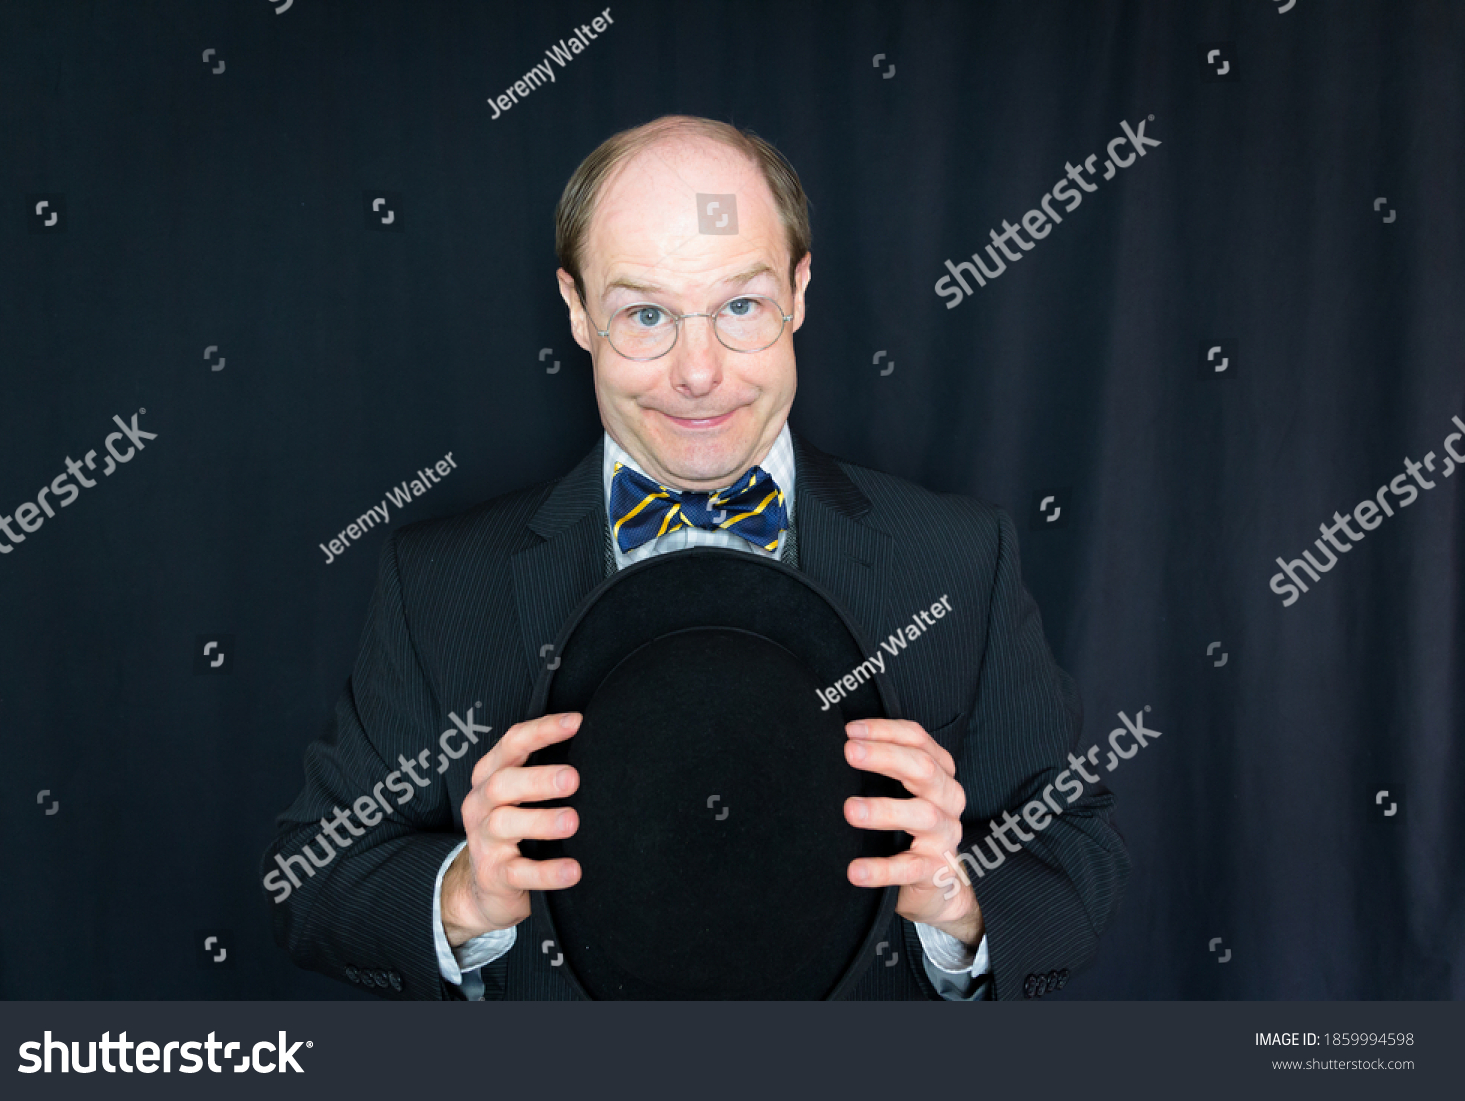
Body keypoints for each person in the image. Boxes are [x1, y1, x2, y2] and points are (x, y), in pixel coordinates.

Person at [264, 115, 1129, 1001]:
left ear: (798, 290)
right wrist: (461, 894)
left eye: (741, 307)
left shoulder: (957, 558)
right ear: (576, 310)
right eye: (646, 314)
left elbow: (1076, 855)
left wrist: (960, 903)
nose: (699, 372)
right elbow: (312, 881)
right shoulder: (441, 581)